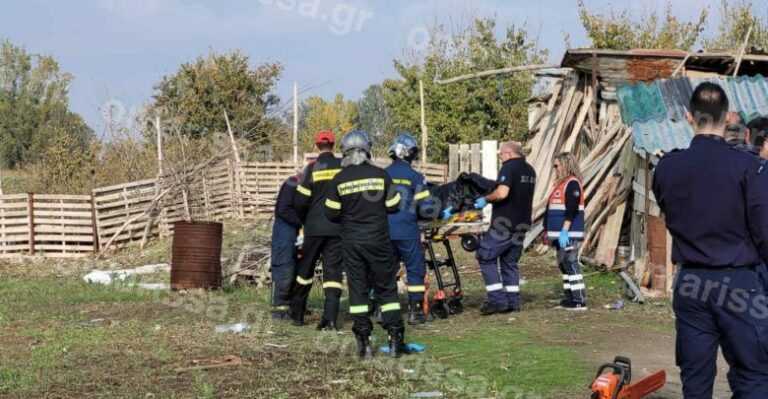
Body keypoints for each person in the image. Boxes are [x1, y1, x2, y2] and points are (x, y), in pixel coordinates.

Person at [652, 82, 768, 398]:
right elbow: (763, 230)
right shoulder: (750, 167)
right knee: (754, 375)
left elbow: (667, 209)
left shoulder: (667, 167)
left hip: (690, 282)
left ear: (689, 116)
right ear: (729, 117)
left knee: (696, 380)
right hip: (739, 283)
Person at [324, 130, 410, 359]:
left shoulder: (338, 179)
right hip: (379, 240)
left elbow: (331, 213)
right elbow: (393, 205)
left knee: (358, 290)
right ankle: (395, 339)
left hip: (352, 243)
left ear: (345, 151)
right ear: (367, 149)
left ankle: (364, 342)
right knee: (386, 288)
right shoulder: (380, 175)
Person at [472, 141, 536, 315]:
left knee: (485, 256)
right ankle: (513, 301)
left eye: (501, 154)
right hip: (522, 225)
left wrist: (486, 199)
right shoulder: (530, 170)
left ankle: (497, 301)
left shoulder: (509, 167)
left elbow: (502, 193)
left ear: (508, 153)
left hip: (505, 224)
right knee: (509, 262)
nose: (500, 158)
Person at [289, 130, 344, 330]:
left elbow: (300, 200)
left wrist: (305, 220)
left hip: (313, 228)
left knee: (305, 271)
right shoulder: (342, 167)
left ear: (316, 146)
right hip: (337, 229)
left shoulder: (311, 168)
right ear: (334, 145)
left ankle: (297, 315)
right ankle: (329, 319)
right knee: (333, 274)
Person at [385, 133, 433, 325]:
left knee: (386, 270)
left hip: (385, 231)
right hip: (408, 231)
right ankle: (415, 312)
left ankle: (384, 311)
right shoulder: (416, 177)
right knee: (414, 269)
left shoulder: (383, 174)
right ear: (406, 153)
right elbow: (427, 207)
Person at [544, 152, 587, 311]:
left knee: (570, 262)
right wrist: (546, 230)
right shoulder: (560, 184)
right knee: (563, 264)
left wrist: (564, 230)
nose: (555, 169)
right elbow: (551, 209)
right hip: (558, 234)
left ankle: (579, 299)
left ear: (566, 165)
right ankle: (569, 296)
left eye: (557, 165)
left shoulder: (573, 184)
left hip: (569, 233)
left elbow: (572, 208)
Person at [270, 172, 303, 320]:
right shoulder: (293, 183)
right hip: (285, 229)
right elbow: (283, 210)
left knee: (298, 268)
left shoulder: (309, 185)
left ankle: (294, 306)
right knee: (285, 267)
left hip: (297, 229)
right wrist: (303, 223)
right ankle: (280, 308)